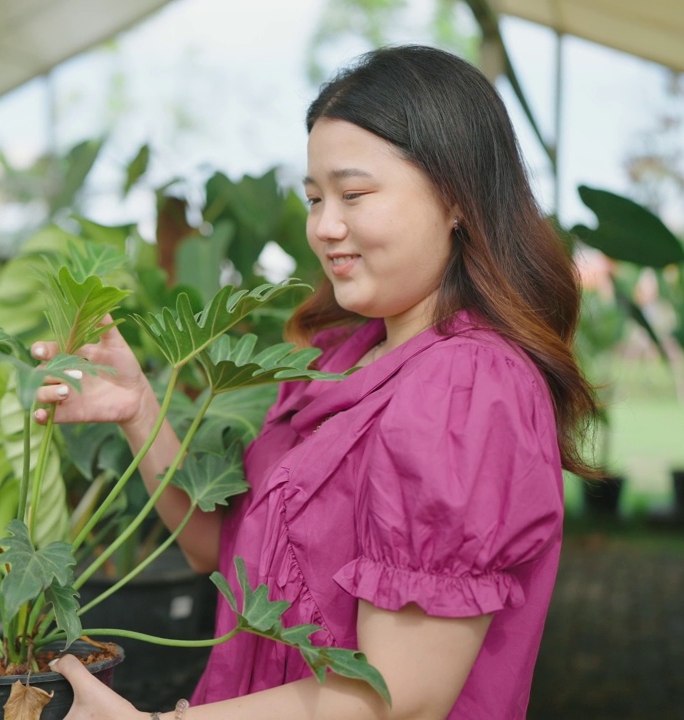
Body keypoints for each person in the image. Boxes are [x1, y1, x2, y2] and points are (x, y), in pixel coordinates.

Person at [30, 44, 598, 720]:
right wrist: (139, 412)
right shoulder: (337, 358)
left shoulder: (467, 387)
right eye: (314, 198)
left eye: (354, 195)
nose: (325, 227)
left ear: (456, 199)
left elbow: (399, 696)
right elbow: (228, 551)